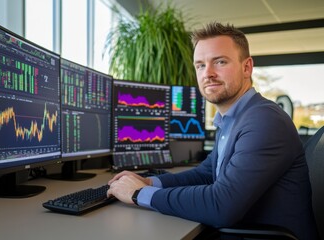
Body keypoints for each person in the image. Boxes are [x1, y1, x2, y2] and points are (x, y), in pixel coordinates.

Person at [107, 22, 318, 240]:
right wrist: (150, 182)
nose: (208, 73)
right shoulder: (233, 119)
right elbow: (206, 174)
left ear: (247, 67)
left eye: (220, 62)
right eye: (200, 65)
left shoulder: (264, 120)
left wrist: (138, 194)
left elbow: (222, 205)